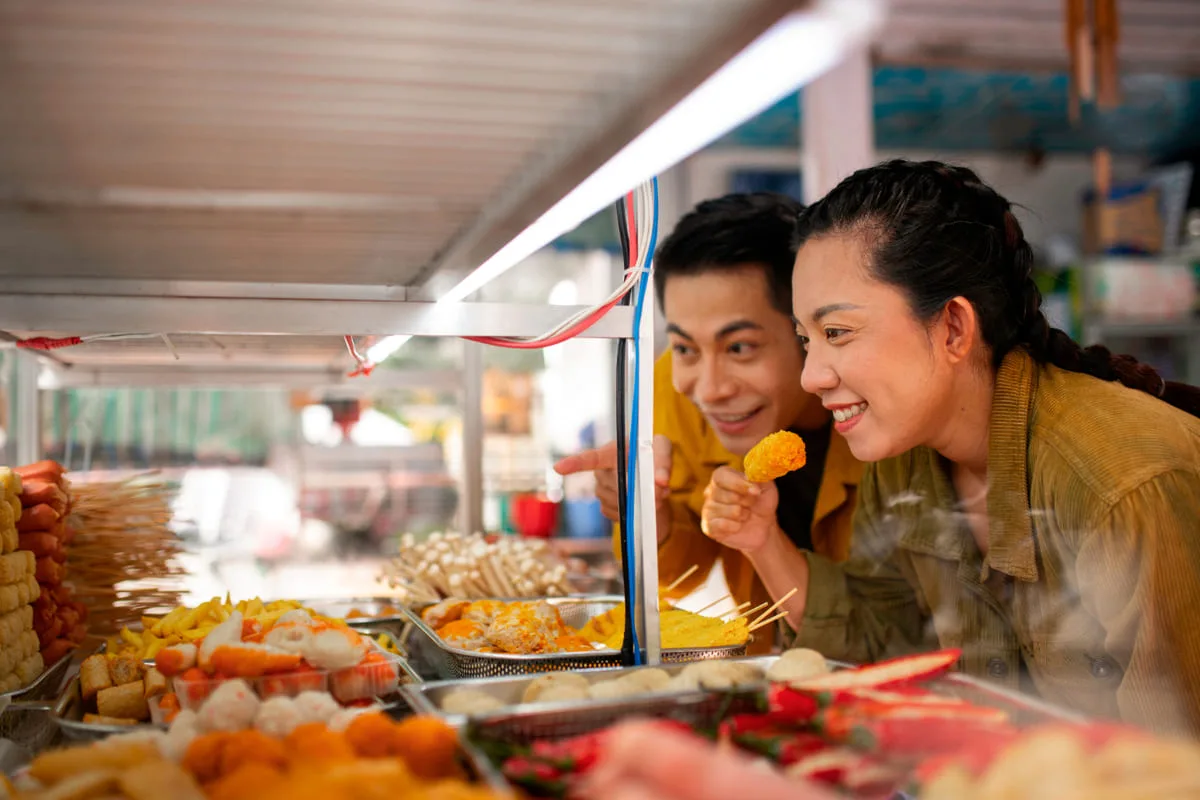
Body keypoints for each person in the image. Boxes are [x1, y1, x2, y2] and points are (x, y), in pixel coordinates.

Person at [702, 159, 1200, 734]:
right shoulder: (901, 461)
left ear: (954, 329)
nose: (812, 376)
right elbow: (878, 642)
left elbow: (1173, 766)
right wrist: (762, 541)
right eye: (805, 340)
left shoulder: (1129, 482)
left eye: (836, 333)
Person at [554, 193, 863, 651]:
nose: (711, 388)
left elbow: (891, 618)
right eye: (684, 347)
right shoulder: (670, 389)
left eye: (739, 347)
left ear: (807, 330)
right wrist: (648, 516)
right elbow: (687, 573)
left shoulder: (882, 410)